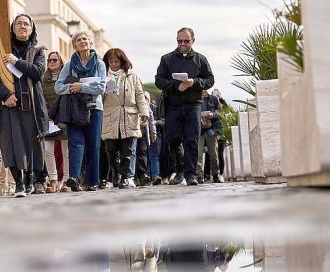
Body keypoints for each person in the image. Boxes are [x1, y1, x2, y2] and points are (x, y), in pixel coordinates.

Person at [0, 14, 48, 197]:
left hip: (31, 106)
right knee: (11, 144)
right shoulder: (2, 51)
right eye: (19, 23)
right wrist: (5, 96)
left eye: (26, 24)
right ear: (13, 28)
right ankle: (19, 183)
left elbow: (38, 73)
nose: (23, 26)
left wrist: (16, 62)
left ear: (31, 29)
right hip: (9, 105)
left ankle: (30, 179)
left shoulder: (38, 51)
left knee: (31, 144)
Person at [154, 27, 216, 186]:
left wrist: (195, 82)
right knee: (172, 139)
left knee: (191, 139)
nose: (182, 44)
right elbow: (159, 81)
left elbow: (210, 80)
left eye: (186, 41)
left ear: (193, 41)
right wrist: (176, 86)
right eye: (179, 41)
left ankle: (190, 175)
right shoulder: (166, 59)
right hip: (173, 105)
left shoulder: (201, 59)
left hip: (193, 105)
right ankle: (179, 169)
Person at [56, 31, 108, 191]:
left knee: (93, 145)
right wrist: (75, 88)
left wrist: (82, 86)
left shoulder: (100, 64)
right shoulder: (69, 65)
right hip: (75, 109)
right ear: (74, 45)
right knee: (76, 143)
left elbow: (101, 87)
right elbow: (58, 87)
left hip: (95, 109)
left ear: (90, 43)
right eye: (79, 40)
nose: (83, 41)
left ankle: (92, 181)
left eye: (85, 39)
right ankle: (74, 178)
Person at [101, 48, 150, 189]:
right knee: (111, 150)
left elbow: (140, 95)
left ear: (122, 61)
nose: (114, 64)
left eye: (116, 61)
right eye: (111, 61)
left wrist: (144, 112)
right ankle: (116, 175)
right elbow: (97, 97)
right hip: (110, 116)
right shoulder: (103, 76)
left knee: (128, 150)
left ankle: (126, 177)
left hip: (129, 115)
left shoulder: (132, 76)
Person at [41, 51, 68, 193]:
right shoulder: (43, 79)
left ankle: (66, 181)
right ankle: (53, 180)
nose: (51, 62)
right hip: (49, 118)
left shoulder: (67, 77)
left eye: (54, 60)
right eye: (49, 60)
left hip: (64, 117)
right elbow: (40, 97)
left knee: (66, 151)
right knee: (47, 149)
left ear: (61, 62)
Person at [197, 87, 224, 183]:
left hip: (211, 129)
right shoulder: (195, 99)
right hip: (199, 130)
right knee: (198, 154)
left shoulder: (213, 99)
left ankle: (216, 175)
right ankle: (199, 176)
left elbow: (220, 112)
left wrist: (213, 114)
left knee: (214, 154)